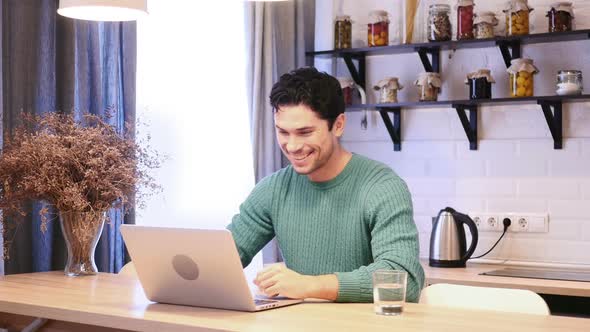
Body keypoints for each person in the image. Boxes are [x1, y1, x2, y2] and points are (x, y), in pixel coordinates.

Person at [227, 67, 424, 303]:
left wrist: (309, 285)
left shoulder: (382, 187)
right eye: (283, 132)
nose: (292, 146)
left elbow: (403, 280)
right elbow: (224, 256)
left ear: (338, 124)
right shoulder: (274, 189)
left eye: (305, 132)